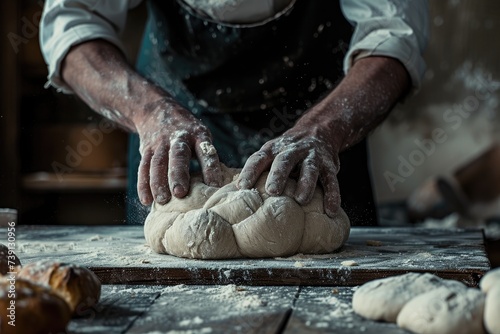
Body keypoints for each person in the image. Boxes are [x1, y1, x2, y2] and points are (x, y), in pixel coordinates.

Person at [40, 0, 429, 225]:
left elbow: (395, 34)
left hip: (322, 126)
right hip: (172, 120)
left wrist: (325, 129)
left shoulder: (325, 130)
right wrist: (149, 111)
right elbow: (73, 21)